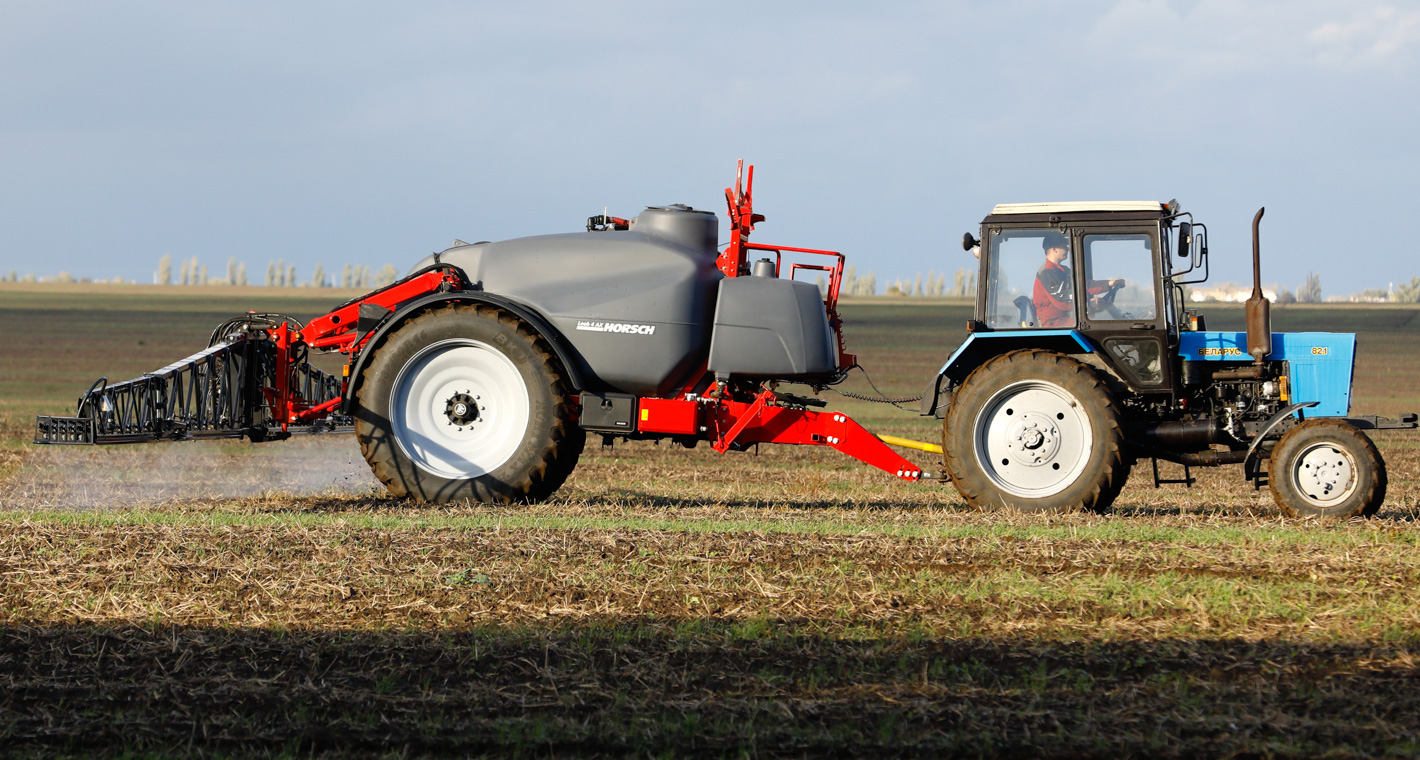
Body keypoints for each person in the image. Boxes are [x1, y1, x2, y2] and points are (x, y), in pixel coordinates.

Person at [1032, 233, 1124, 327]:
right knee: (1097, 325)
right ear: (1054, 249)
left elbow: (1082, 286)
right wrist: (1088, 303)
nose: (1067, 249)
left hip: (1065, 319)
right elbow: (1062, 301)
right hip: (1053, 324)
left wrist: (1109, 283)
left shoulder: (1062, 271)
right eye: (1064, 246)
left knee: (1098, 323)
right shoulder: (1047, 272)